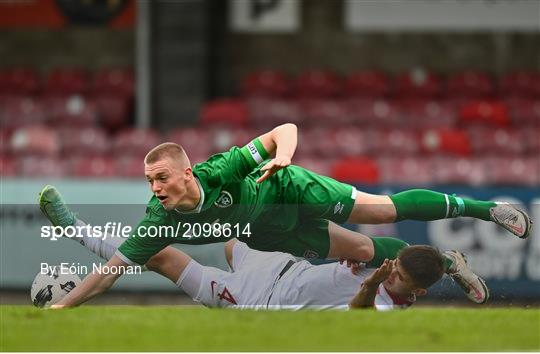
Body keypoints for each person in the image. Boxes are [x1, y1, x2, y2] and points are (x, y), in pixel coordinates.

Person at [39, 123, 530, 306]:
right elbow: (113, 272)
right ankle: (445, 262)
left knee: (379, 213)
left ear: (188, 173)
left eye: (161, 178)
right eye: (149, 182)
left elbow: (283, 130)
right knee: (362, 250)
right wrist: (64, 308)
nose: (154, 188)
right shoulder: (161, 218)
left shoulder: (224, 169)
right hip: (279, 239)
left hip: (293, 192)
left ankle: (488, 210)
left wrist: (285, 156)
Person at [40, 192, 487, 308]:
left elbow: (359, 315)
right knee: (234, 224)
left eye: (397, 280)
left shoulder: (381, 303)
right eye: (391, 272)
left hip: (253, 301)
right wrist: (374, 268)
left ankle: (72, 227)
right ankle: (450, 261)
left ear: (415, 293)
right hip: (277, 265)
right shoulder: (393, 267)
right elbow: (392, 258)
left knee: (160, 255)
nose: (387, 273)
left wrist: (370, 286)